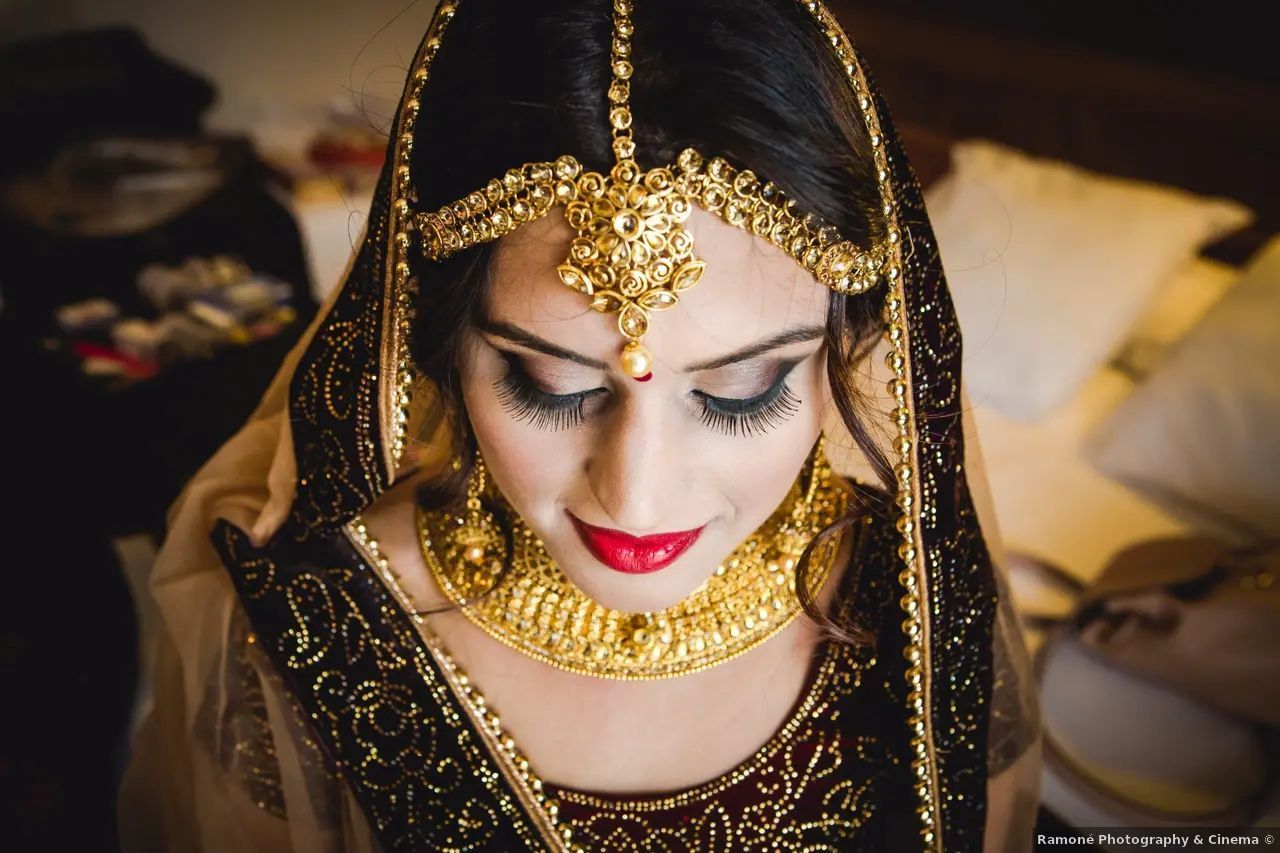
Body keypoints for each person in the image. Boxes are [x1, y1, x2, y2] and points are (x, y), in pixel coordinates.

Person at [117, 0, 1042, 849]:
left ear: (850, 352)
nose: (636, 496)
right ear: (434, 345)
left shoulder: (919, 595)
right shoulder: (311, 626)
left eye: (743, 391)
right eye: (551, 385)